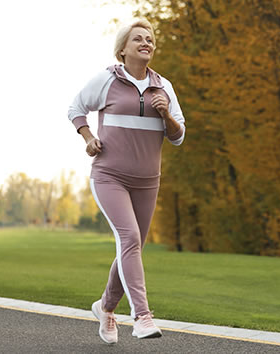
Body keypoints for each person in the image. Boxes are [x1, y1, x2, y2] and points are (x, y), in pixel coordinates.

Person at [67, 18, 186, 344]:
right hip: (110, 176)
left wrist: (166, 115)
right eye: (138, 39)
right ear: (123, 48)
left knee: (131, 248)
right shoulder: (107, 80)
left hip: (148, 181)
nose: (146, 43)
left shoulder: (165, 87)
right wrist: (88, 137)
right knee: (130, 237)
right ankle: (142, 317)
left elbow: (178, 137)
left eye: (149, 39)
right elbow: (76, 108)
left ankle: (105, 308)